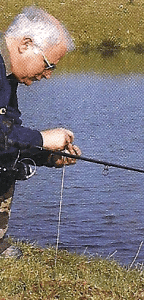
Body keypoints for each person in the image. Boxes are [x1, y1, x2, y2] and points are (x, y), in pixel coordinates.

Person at [0, 6, 81, 258]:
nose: (47, 75)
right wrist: (44, 138)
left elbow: (9, 136)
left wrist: (47, 155)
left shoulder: (8, 78)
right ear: (26, 44)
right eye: (49, 65)